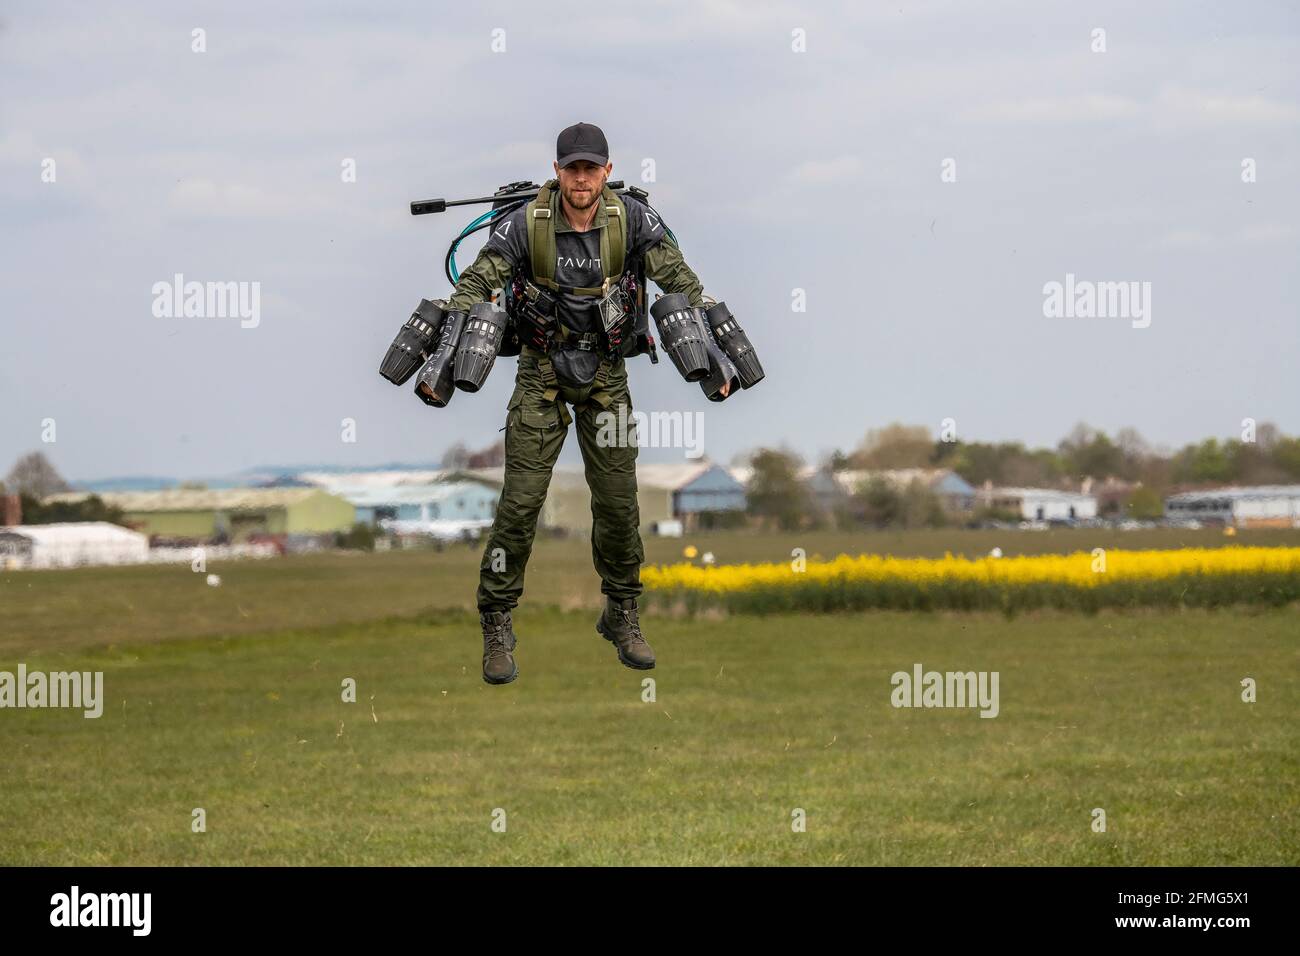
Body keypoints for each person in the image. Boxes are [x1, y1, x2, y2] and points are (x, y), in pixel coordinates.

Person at [442, 122, 720, 684]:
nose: (582, 179)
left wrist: (708, 333)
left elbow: (680, 279)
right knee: (520, 505)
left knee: (619, 504)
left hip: (607, 375)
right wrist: (453, 320)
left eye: (592, 168)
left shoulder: (633, 221)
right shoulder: (527, 225)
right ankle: (496, 620)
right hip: (540, 373)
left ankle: (622, 611)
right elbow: (479, 278)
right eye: (573, 168)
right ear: (558, 171)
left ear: (607, 172)